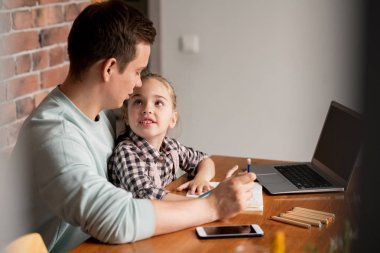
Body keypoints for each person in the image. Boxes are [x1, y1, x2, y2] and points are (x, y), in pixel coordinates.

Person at [9, 1, 256, 252]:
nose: (138, 83)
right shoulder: (56, 135)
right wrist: (213, 206)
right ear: (109, 68)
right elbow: (116, 219)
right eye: (137, 71)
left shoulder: (103, 112)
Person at [108, 73, 215, 201]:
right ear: (126, 116)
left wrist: (201, 178)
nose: (147, 109)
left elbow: (204, 160)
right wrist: (205, 203)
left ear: (172, 119)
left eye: (158, 103)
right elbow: (147, 196)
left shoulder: (171, 147)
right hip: (143, 218)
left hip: (168, 214)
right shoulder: (126, 152)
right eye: (138, 101)